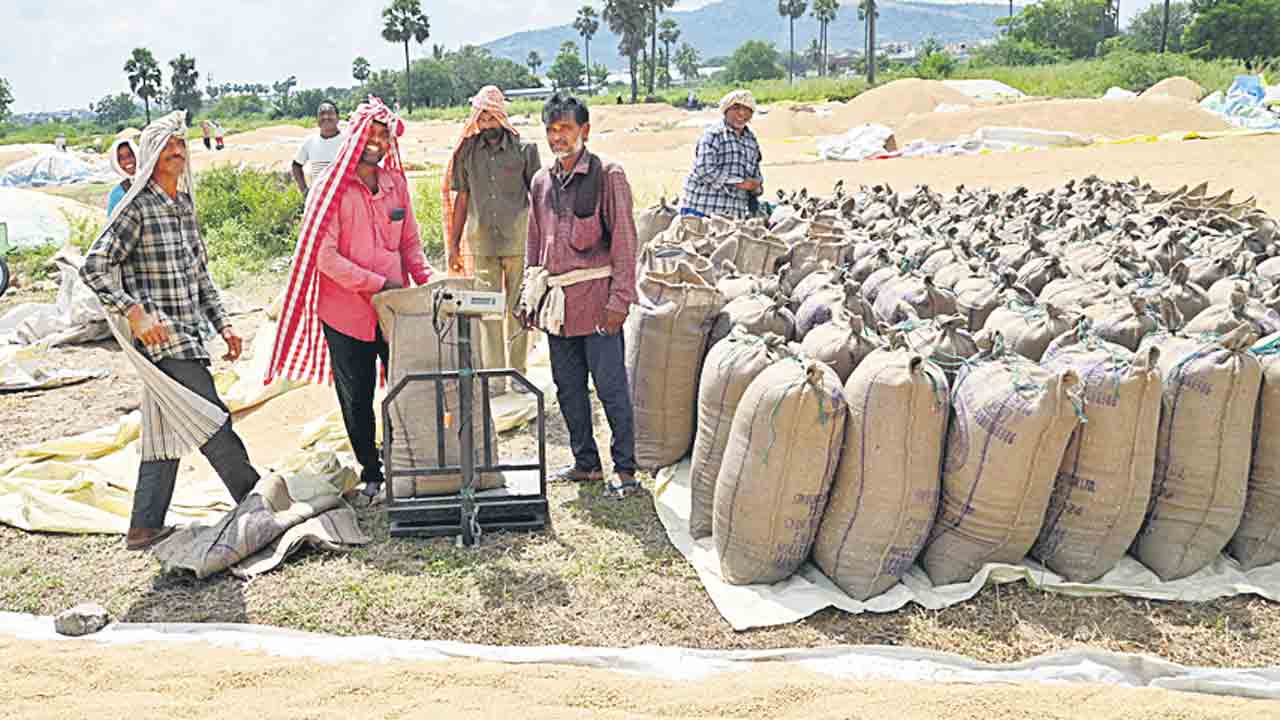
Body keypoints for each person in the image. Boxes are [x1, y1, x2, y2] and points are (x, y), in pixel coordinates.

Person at [80, 111, 259, 551]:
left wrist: (225, 324)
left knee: (164, 436)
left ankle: (144, 527)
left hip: (191, 332)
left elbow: (200, 274)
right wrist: (134, 311)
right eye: (168, 147)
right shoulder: (137, 208)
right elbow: (94, 266)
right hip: (164, 341)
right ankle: (255, 499)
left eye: (182, 145)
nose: (178, 152)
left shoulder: (183, 205)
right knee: (212, 420)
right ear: (152, 157)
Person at [266, 97, 434, 504]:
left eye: (383, 133)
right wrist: (377, 284)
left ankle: (402, 460)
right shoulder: (330, 190)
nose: (377, 140)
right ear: (356, 135)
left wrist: (428, 283)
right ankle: (371, 472)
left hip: (395, 310)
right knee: (357, 396)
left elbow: (409, 243)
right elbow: (324, 257)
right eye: (371, 132)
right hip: (346, 313)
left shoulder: (396, 184)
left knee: (405, 386)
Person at [519, 93, 639, 498]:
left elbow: (624, 242)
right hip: (557, 307)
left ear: (584, 131)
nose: (558, 138)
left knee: (610, 389)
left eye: (565, 129)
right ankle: (585, 463)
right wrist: (528, 297)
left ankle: (625, 469)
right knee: (568, 387)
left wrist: (619, 303)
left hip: (598, 304)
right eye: (551, 130)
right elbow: (534, 243)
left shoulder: (609, 176)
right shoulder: (540, 182)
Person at [443, 86, 541, 392]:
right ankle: (495, 378)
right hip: (482, 244)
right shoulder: (467, 152)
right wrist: (453, 245)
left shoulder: (525, 149)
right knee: (488, 311)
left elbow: (539, 198)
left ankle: (519, 373)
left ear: (501, 115)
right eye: (481, 118)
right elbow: (462, 199)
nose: (486, 124)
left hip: (519, 242)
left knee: (519, 310)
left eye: (491, 117)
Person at [678, 89, 764, 220]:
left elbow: (755, 173)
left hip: (734, 214)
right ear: (725, 111)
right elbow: (704, 170)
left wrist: (756, 187)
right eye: (736, 108)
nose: (741, 113)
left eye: (747, 109)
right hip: (703, 211)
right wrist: (739, 183)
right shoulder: (714, 135)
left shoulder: (751, 140)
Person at [291, 100, 344, 195]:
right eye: (322, 114)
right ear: (317, 120)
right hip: (318, 198)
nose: (326, 117)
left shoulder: (348, 140)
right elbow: (296, 165)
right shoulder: (309, 141)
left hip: (344, 196)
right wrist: (304, 190)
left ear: (338, 118)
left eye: (330, 113)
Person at [106, 137, 138, 216]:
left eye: (130, 155)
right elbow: (112, 224)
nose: (127, 161)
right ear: (116, 163)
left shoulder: (153, 181)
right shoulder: (116, 194)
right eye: (121, 158)